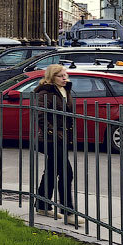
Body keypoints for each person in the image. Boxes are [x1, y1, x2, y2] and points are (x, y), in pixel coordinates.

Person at [34, 64, 78, 225]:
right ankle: (68, 212)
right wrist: (54, 133)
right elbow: (41, 117)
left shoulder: (65, 90)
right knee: (67, 173)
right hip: (49, 139)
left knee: (52, 170)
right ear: (52, 77)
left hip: (62, 139)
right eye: (60, 76)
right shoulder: (45, 93)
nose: (64, 78)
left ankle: (42, 204)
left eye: (65, 75)